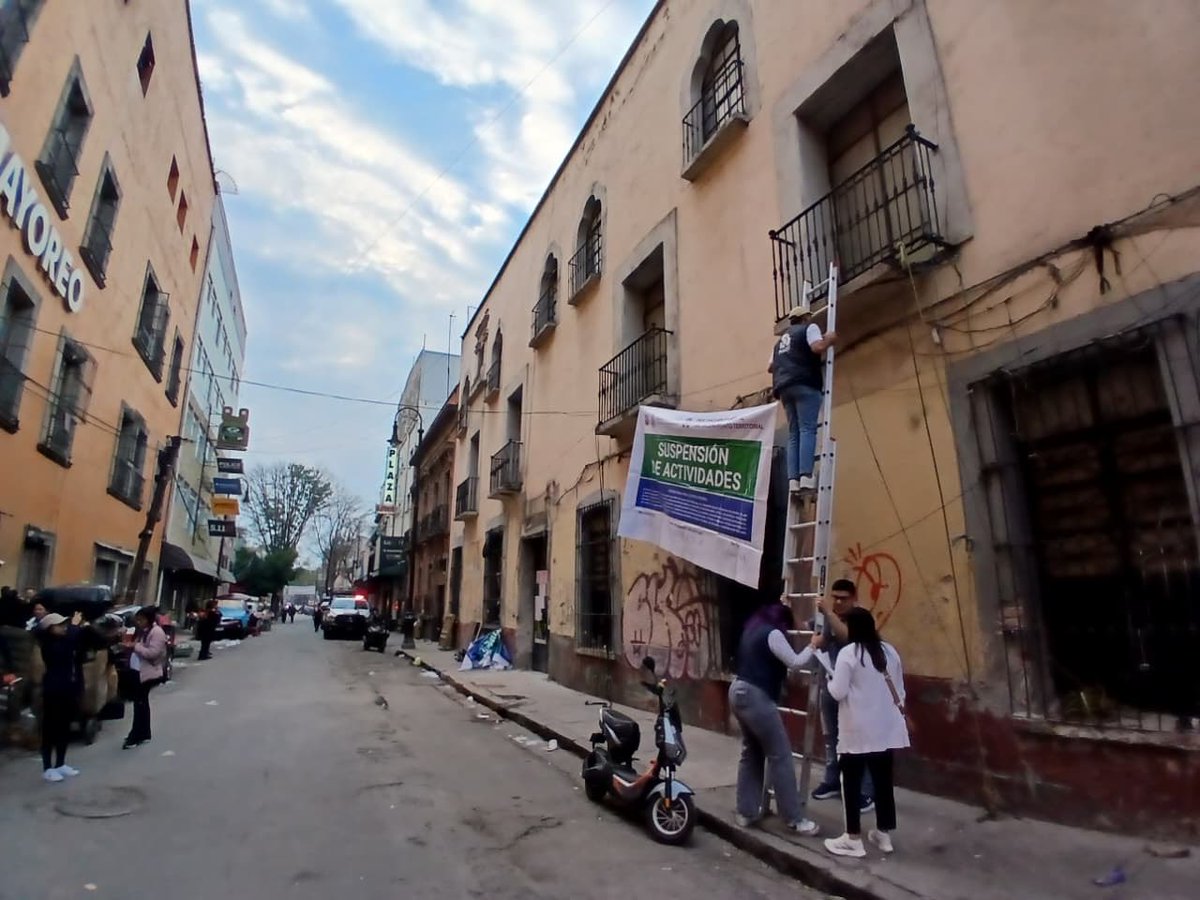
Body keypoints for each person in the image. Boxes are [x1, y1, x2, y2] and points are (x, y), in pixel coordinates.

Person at [823, 607, 910, 858]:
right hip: (886, 730)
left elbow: (837, 692)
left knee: (850, 783)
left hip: (857, 731)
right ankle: (884, 835)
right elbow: (900, 691)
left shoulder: (848, 654)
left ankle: (853, 839)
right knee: (883, 783)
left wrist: (829, 680)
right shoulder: (889, 651)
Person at [728, 601, 821, 835]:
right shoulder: (774, 634)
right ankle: (794, 818)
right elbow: (795, 663)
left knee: (751, 752)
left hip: (737, 689)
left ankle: (746, 812)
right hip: (756, 694)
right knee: (780, 755)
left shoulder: (752, 629)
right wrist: (814, 645)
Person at [811, 579, 874, 812]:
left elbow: (848, 638)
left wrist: (828, 611)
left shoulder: (861, 617)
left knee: (859, 739)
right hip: (832, 683)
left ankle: (866, 792)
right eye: (834, 597)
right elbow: (826, 639)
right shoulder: (831, 618)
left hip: (857, 690)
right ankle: (832, 781)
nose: (837, 601)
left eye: (843, 598)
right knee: (832, 738)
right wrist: (818, 640)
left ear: (853, 598)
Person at [769, 308, 836, 492]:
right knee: (807, 429)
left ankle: (793, 480)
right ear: (806, 318)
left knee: (794, 434)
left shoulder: (779, 342)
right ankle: (806, 475)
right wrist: (829, 338)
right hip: (804, 383)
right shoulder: (809, 328)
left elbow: (770, 367)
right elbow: (817, 347)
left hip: (784, 388)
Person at [37, 611, 85, 783]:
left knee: (64, 728)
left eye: (65, 624)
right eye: (60, 625)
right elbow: (65, 649)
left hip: (68, 690)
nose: (64, 627)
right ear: (50, 628)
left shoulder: (66, 641)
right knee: (50, 729)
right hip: (53, 691)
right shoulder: (49, 645)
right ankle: (47, 767)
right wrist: (74, 626)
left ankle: (60, 763)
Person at [124, 606, 168, 749]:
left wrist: (135, 646)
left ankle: (135, 735)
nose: (139, 622)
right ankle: (143, 733)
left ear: (148, 619)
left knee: (140, 705)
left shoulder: (157, 632)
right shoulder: (145, 631)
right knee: (141, 704)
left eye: (141, 619)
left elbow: (152, 653)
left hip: (147, 673)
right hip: (139, 671)